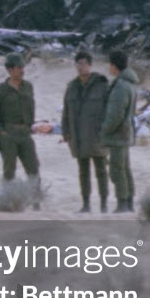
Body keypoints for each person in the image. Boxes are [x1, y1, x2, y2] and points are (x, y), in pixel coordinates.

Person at [62, 50, 110, 213]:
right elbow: (66, 112)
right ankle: (86, 204)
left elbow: (109, 110)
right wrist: (66, 132)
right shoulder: (72, 87)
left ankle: (103, 204)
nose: (80, 67)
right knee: (83, 172)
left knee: (101, 171)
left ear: (90, 65)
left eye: (83, 64)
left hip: (97, 136)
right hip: (78, 136)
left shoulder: (102, 85)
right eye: (78, 64)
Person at [0, 52, 39, 187]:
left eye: (23, 67)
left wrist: (30, 126)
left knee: (33, 168)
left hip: (25, 133)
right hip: (8, 133)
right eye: (19, 67)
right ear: (10, 70)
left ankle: (36, 198)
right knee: (9, 170)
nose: (22, 70)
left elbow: (31, 108)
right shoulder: (0, 90)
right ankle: (7, 197)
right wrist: (1, 133)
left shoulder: (28, 87)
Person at [101, 49, 138, 213]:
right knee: (125, 168)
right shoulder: (129, 84)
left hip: (118, 135)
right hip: (125, 133)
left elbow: (115, 114)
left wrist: (104, 131)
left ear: (114, 66)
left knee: (117, 170)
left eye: (109, 64)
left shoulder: (121, 86)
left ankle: (123, 203)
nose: (108, 67)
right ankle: (128, 203)